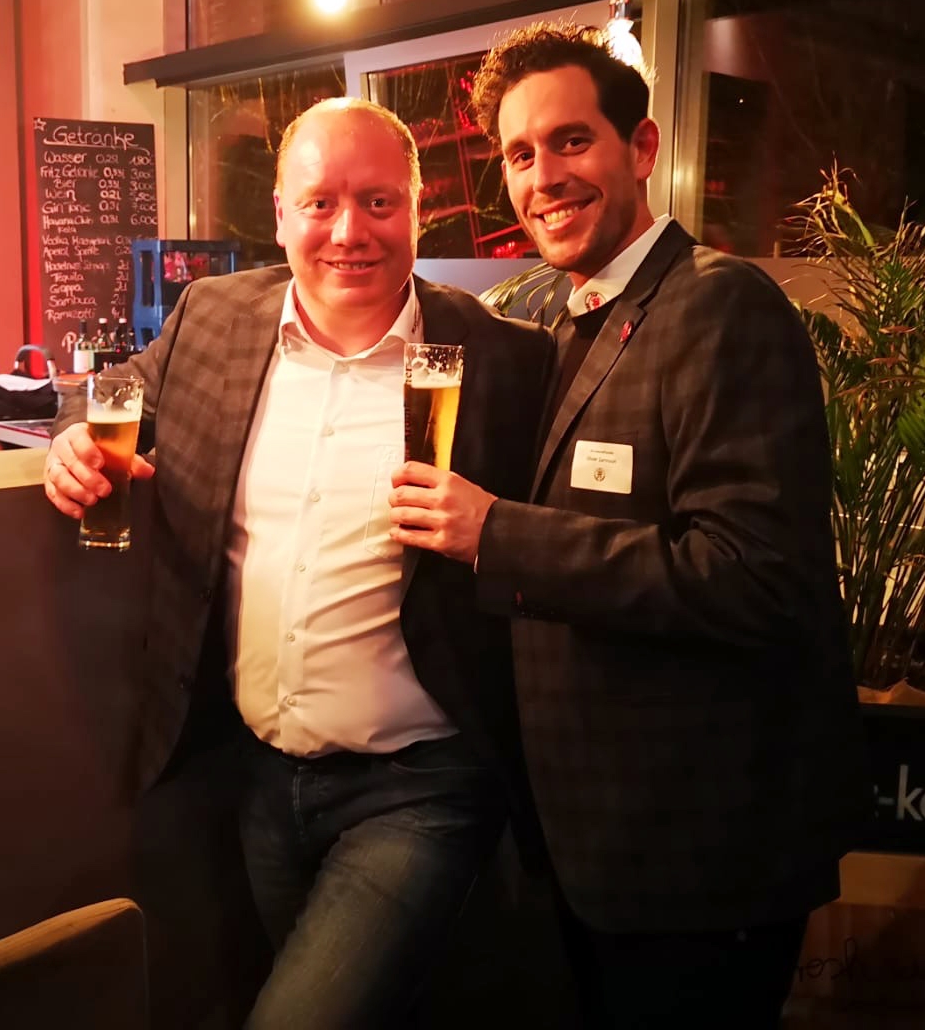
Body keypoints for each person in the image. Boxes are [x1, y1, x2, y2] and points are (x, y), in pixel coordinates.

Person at [389, 23, 867, 1026]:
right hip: (591, 844)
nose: (543, 178)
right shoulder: (567, 321)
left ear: (640, 148)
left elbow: (751, 576)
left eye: (572, 141)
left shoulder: (718, 307)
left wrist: (497, 535)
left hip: (698, 857)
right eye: (520, 154)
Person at [42, 97, 554, 1027]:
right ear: (280, 214)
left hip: (421, 788)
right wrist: (74, 439)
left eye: (378, 202)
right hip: (257, 779)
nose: (349, 231)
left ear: (418, 210)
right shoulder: (212, 318)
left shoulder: (506, 357)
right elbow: (113, 397)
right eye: (320, 203)